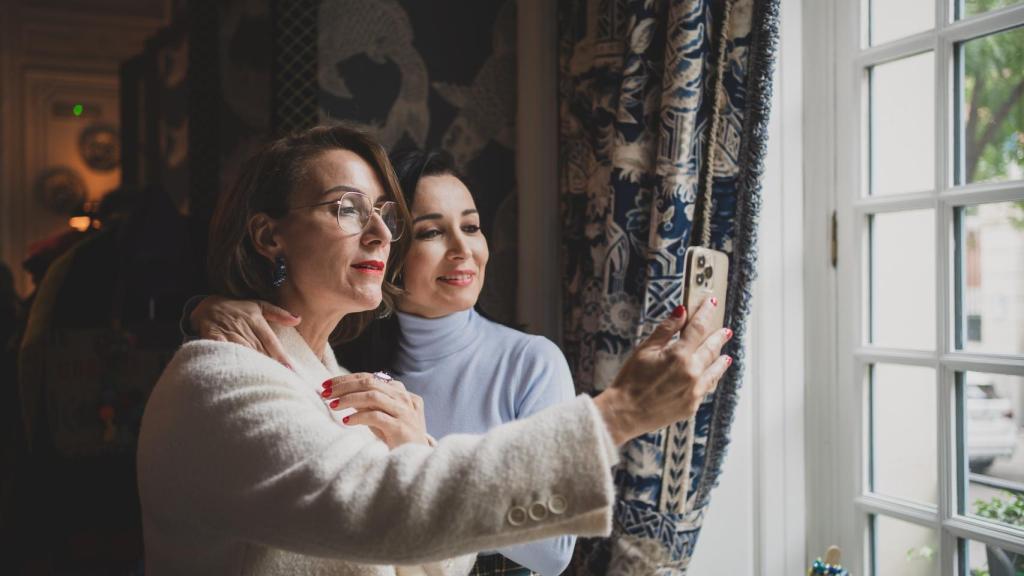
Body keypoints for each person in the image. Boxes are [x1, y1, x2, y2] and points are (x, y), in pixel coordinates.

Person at [137, 125, 732, 575]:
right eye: (347, 209)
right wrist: (620, 413)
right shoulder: (220, 377)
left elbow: (434, 556)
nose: (380, 233)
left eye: (386, 215)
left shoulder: (335, 377)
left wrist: (417, 449)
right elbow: (380, 509)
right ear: (269, 235)